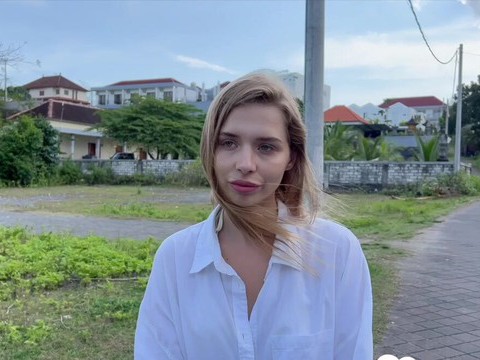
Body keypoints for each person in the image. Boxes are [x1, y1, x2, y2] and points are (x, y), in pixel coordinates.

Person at [135, 73, 373, 359]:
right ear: (210, 150)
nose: (245, 164)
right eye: (229, 143)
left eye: (266, 147)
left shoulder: (336, 251)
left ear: (291, 157)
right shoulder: (175, 258)